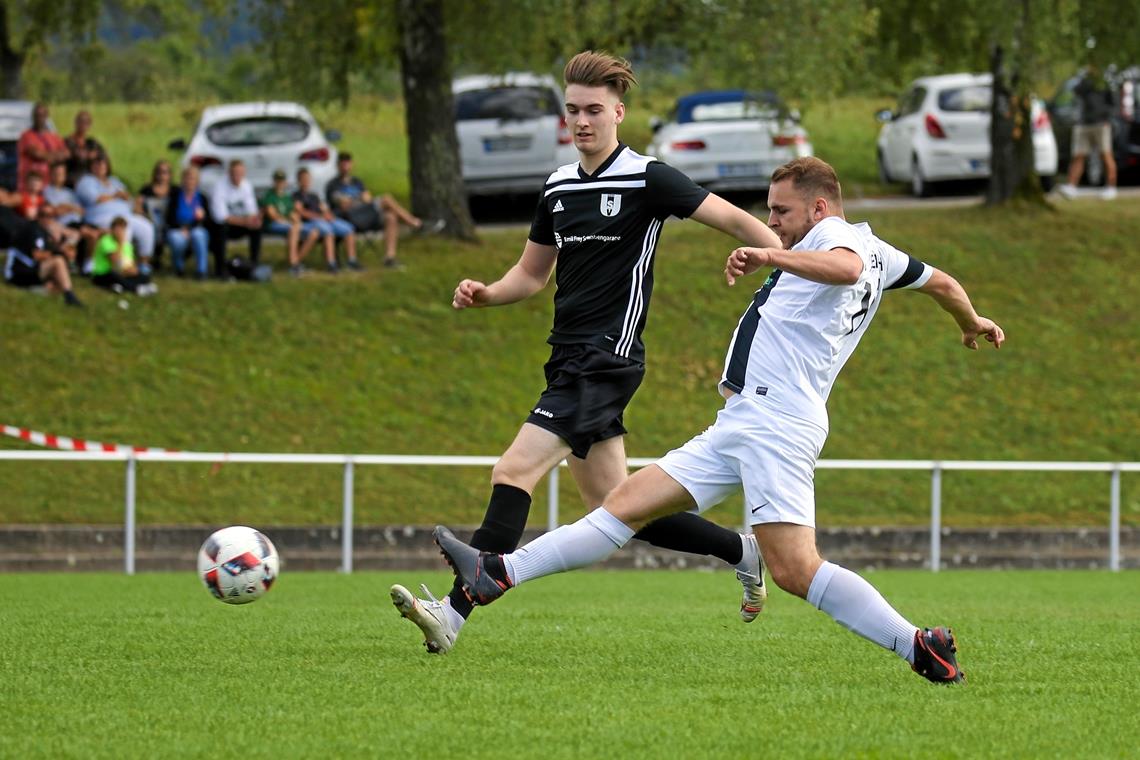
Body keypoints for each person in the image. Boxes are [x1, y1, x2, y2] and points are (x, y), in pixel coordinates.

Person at [435, 157, 1006, 685]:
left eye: (781, 210)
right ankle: (498, 574)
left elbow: (843, 268)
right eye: (769, 210)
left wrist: (769, 256)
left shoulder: (837, 241)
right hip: (744, 420)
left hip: (775, 423)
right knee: (622, 505)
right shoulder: (883, 251)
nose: (772, 221)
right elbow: (945, 284)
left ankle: (917, 645)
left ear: (820, 208)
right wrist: (971, 320)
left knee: (795, 569)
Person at [391, 50, 786, 656]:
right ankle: (743, 550)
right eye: (572, 110)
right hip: (567, 355)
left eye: (594, 110)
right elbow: (531, 275)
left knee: (513, 470)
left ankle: (454, 611)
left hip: (607, 357)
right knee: (617, 506)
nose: (582, 121)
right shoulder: (557, 187)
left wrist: (779, 263)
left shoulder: (648, 178)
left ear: (618, 112)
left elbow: (735, 220)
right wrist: (486, 293)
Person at [325, 152, 441, 269]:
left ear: (352, 164)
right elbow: (344, 205)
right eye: (343, 164)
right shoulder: (333, 185)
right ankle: (416, 224)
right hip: (349, 218)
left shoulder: (357, 182)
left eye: (348, 163)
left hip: (366, 215)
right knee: (386, 199)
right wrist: (359, 199)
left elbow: (368, 198)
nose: (346, 167)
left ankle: (389, 258)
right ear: (338, 165)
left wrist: (355, 200)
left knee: (390, 217)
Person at [75, 153, 156, 275]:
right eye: (96, 163)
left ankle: (144, 264)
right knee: (123, 230)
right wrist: (115, 196)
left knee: (146, 228)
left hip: (126, 214)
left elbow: (127, 198)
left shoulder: (114, 181)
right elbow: (94, 199)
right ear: (91, 166)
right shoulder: (86, 181)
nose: (100, 166)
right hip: (101, 217)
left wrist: (134, 204)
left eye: (103, 163)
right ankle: (121, 265)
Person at [1059, 65, 1118, 200]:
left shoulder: (1106, 82)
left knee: (1106, 155)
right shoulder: (1084, 82)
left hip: (1101, 124)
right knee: (1078, 155)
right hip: (1084, 123)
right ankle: (1072, 187)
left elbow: (1113, 103)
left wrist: (1107, 118)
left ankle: (1111, 187)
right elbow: (1076, 91)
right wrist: (1084, 77)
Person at [2, 219, 83, 306]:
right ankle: (69, 296)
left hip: (30, 270)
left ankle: (36, 290)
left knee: (60, 279)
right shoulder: (34, 230)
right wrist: (61, 252)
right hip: (17, 272)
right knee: (58, 261)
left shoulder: (44, 235)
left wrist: (61, 246)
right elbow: (37, 255)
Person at [294, 167, 359, 272]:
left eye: (307, 179)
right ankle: (331, 263)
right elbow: (301, 212)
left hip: (323, 219)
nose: (306, 181)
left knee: (348, 228)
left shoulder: (314, 195)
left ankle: (352, 260)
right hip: (311, 221)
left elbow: (323, 207)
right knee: (328, 231)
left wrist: (328, 215)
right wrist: (319, 217)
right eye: (303, 179)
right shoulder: (296, 196)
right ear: (299, 181)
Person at [208, 159, 262, 278]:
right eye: (234, 173)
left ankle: (254, 264)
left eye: (240, 173)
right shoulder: (219, 187)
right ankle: (220, 268)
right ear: (229, 173)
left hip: (240, 223)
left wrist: (254, 220)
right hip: (221, 225)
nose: (237, 176)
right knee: (221, 229)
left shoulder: (246, 185)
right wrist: (245, 221)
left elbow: (252, 210)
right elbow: (221, 217)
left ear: (244, 173)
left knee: (257, 228)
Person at [262, 168, 322, 276]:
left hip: (287, 223)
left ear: (285, 183)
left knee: (314, 232)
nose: (280, 183)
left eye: (282, 181)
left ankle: (295, 263)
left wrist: (297, 221)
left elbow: (292, 213)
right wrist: (289, 222)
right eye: (278, 181)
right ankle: (294, 264)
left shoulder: (287, 197)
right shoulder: (269, 196)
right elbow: (272, 215)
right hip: (274, 224)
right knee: (294, 228)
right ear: (274, 182)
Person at [43, 162, 99, 273]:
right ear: (51, 175)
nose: (59, 176)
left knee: (96, 232)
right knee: (91, 234)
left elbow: (81, 211)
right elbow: (54, 211)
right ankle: (86, 266)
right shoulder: (47, 191)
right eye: (57, 174)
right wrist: (69, 208)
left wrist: (67, 208)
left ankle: (87, 263)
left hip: (77, 221)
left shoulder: (69, 193)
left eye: (62, 174)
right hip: (64, 223)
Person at [90, 216, 156, 296]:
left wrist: (133, 270)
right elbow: (116, 263)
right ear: (112, 230)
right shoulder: (106, 241)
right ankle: (136, 289)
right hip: (104, 273)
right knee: (114, 275)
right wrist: (120, 243)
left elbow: (131, 263)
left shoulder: (127, 245)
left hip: (123, 272)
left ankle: (118, 286)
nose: (120, 232)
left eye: (122, 229)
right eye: (117, 229)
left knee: (144, 276)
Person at [164, 166, 210, 279]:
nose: (190, 181)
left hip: (195, 229)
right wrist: (181, 228)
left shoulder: (202, 198)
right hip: (177, 228)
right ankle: (178, 267)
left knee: (198, 235)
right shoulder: (175, 196)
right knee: (176, 238)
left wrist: (200, 219)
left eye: (193, 178)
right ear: (183, 179)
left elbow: (208, 221)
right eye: (187, 178)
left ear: (197, 181)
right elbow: (169, 218)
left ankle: (201, 270)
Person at [16, 102, 68, 192]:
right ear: (33, 117)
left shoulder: (54, 137)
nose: (39, 118)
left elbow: (66, 153)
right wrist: (55, 155)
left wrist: (47, 155)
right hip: (30, 187)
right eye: (37, 115)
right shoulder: (26, 136)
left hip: (50, 186)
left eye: (42, 115)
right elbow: (36, 154)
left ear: (47, 116)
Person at [136, 160, 172, 269]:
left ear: (170, 175)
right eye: (159, 172)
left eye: (165, 172)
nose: (162, 175)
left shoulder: (175, 191)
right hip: (151, 222)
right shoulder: (146, 190)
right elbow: (137, 204)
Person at [64, 110, 106, 188]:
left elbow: (102, 154)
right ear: (76, 123)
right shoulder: (68, 141)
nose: (83, 124)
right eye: (81, 121)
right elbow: (76, 155)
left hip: (91, 178)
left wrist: (95, 155)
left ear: (90, 125)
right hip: (74, 179)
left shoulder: (92, 142)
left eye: (86, 122)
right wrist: (88, 155)